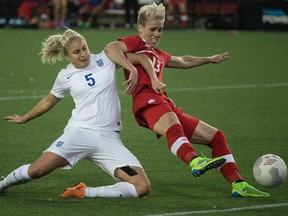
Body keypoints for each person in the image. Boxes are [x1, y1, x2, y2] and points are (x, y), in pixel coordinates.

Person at [104, 3, 270, 197]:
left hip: (164, 102)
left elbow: (182, 61)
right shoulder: (136, 43)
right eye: (152, 29)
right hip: (146, 100)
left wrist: (209, 59)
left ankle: (239, 184)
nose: (157, 33)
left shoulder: (159, 54)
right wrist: (130, 68)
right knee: (174, 127)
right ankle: (193, 160)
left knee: (216, 137)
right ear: (140, 28)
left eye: (160, 29)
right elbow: (111, 48)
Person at [0, 28, 152, 199]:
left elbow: (141, 58)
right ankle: (2, 184)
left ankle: (82, 191)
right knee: (37, 170)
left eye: (85, 48)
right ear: (67, 56)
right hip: (80, 133)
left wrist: (146, 73)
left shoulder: (106, 58)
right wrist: (25, 117)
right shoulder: (65, 76)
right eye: (77, 52)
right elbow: (48, 101)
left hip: (109, 140)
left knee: (142, 187)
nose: (83, 54)